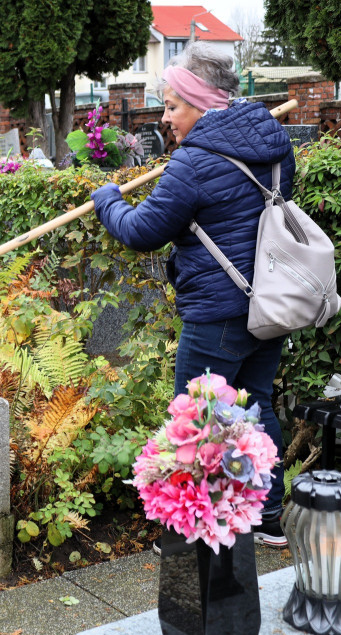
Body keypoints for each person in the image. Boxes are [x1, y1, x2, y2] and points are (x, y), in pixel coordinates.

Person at [89, 41, 293, 550]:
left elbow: (141, 231)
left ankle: (189, 530)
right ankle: (268, 516)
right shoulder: (273, 144)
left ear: (202, 104)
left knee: (197, 419)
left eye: (173, 106)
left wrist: (107, 199)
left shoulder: (193, 162)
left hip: (217, 315)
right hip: (269, 302)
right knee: (256, 405)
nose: (165, 118)